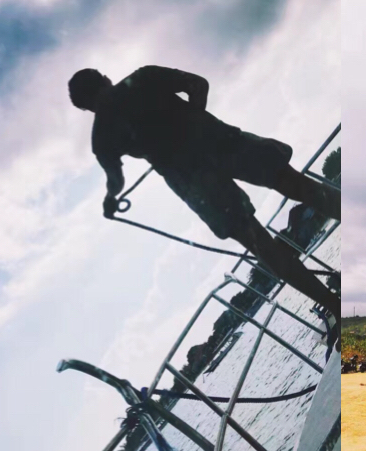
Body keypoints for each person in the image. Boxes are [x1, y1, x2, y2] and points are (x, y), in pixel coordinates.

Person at [69, 66, 340, 326]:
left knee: (262, 247)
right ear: (105, 78)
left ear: (85, 107)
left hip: (195, 183)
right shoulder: (143, 77)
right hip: (220, 142)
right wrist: (194, 124)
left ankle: (336, 307)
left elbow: (115, 181)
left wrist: (110, 200)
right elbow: (198, 84)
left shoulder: (101, 136)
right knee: (299, 187)